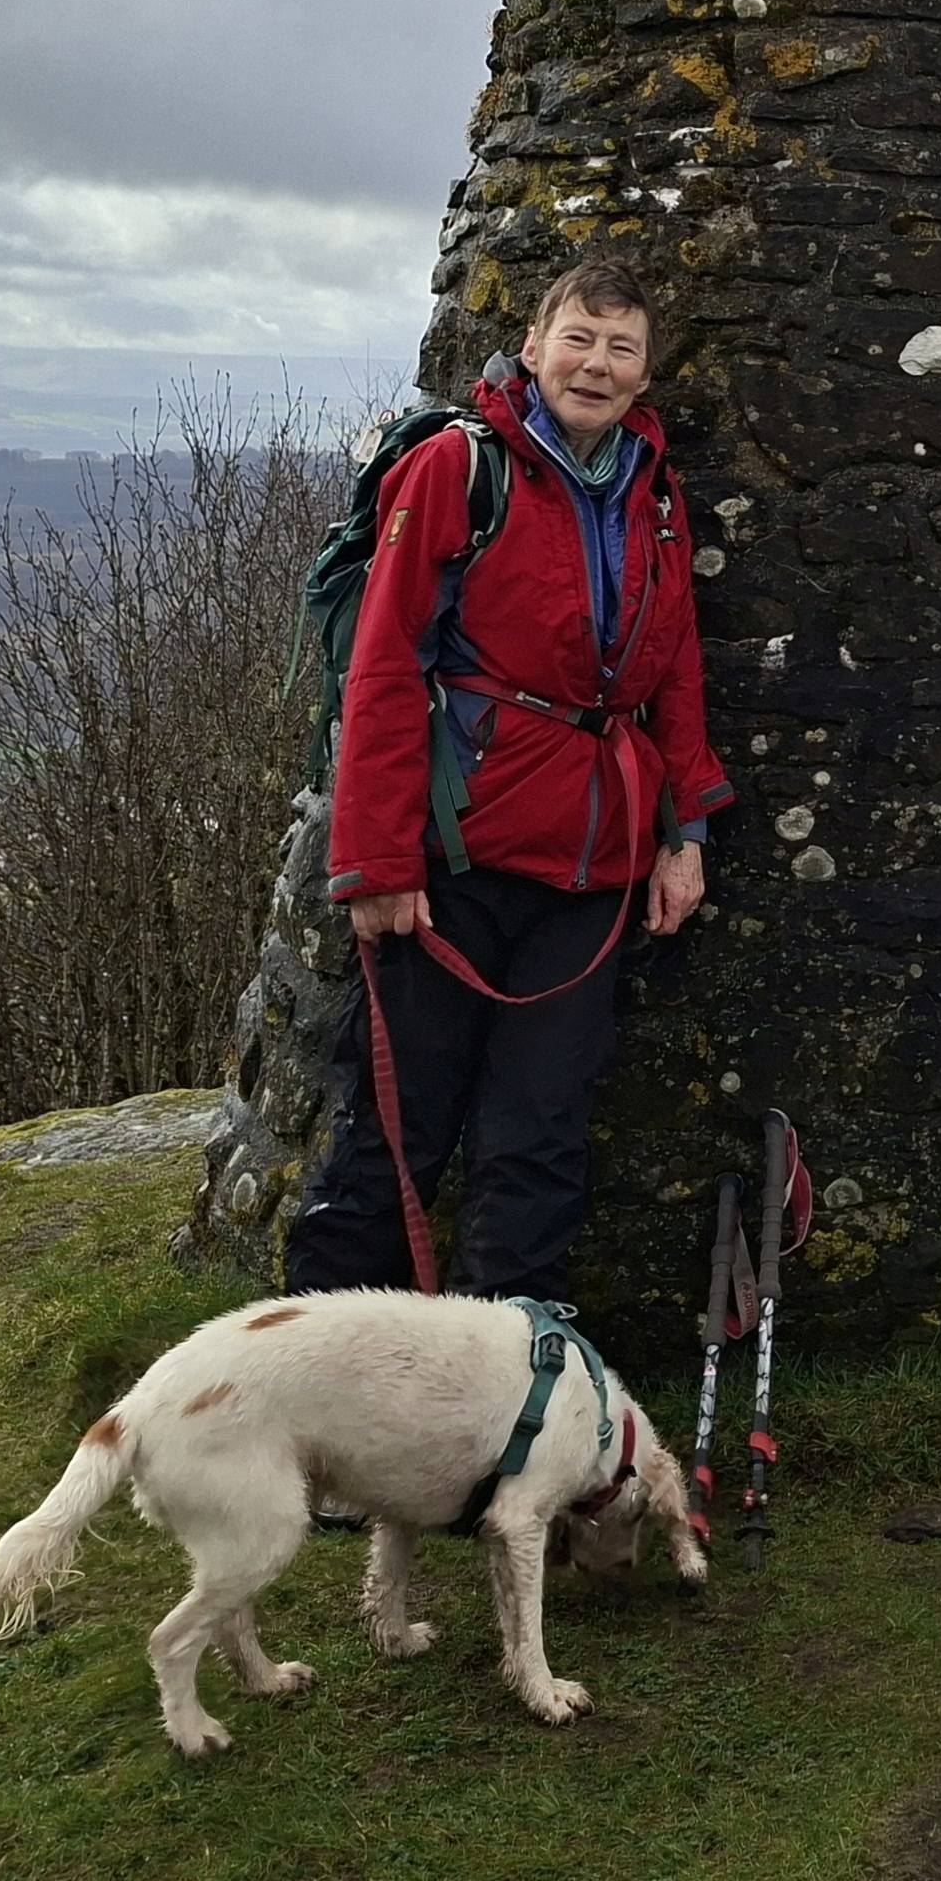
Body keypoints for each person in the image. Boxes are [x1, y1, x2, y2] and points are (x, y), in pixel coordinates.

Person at [290, 256, 735, 1300]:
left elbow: (672, 669)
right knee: (397, 1136)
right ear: (532, 350)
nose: (596, 363)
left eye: (621, 347)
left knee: (539, 1136)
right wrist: (374, 863)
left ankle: (502, 1385)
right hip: (453, 854)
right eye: (577, 337)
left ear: (644, 373)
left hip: (592, 870)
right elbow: (389, 663)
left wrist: (686, 835)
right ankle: (318, 1373)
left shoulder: (653, 495)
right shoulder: (458, 467)